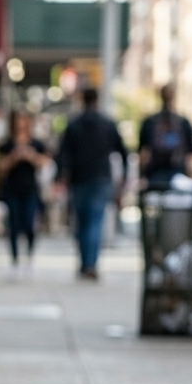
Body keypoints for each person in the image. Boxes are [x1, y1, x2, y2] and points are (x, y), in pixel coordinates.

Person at [58, 87, 128, 280]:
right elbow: (123, 153)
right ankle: (91, 264)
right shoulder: (107, 124)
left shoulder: (74, 124)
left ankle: (85, 263)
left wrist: (61, 176)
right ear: (97, 100)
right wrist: (123, 179)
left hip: (79, 179)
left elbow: (62, 153)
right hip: (100, 179)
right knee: (95, 222)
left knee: (81, 223)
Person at [0, 111, 49, 272]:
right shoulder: (7, 145)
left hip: (31, 189)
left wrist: (30, 156)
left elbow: (45, 162)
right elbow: (0, 167)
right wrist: (14, 157)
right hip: (12, 189)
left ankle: (29, 254)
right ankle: (14, 259)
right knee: (13, 224)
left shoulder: (36, 144)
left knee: (29, 222)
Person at [138, 83, 192, 190]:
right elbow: (191, 156)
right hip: (178, 176)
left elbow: (143, 154)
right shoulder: (183, 122)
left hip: (154, 177)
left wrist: (141, 176)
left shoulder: (150, 122)